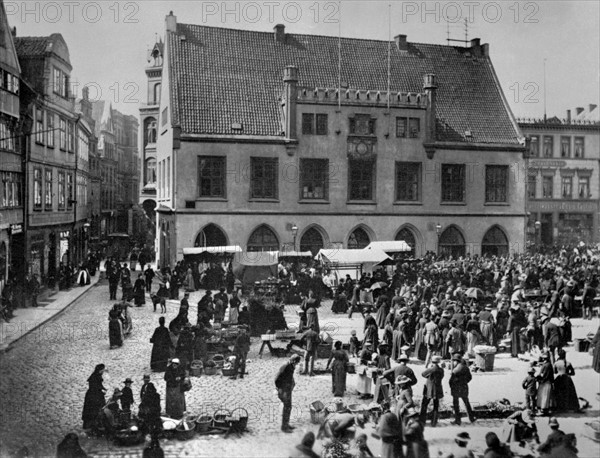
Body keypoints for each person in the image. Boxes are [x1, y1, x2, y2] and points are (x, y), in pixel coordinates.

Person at [274, 354, 301, 432]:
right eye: (296, 363)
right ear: (293, 361)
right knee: (287, 407)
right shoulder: (286, 366)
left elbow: (289, 378)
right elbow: (277, 379)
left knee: (288, 407)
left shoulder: (291, 366)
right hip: (283, 390)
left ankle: (286, 424)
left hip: (287, 390)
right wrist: (279, 388)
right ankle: (284, 427)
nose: (296, 365)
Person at [449, 354, 475, 425]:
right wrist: (464, 382)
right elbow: (469, 377)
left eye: (454, 361)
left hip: (456, 389)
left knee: (456, 405)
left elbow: (451, 381)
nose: (453, 363)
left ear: (456, 361)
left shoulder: (455, 370)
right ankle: (471, 418)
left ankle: (458, 420)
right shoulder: (466, 368)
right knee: (466, 403)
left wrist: (452, 387)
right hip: (464, 388)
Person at [419, 355, 444, 427]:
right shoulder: (441, 370)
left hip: (429, 388)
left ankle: (422, 420)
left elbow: (423, 374)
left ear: (432, 362)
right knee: (436, 405)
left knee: (424, 404)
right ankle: (434, 422)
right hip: (438, 388)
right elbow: (442, 377)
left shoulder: (431, 369)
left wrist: (429, 377)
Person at [82, 364, 106, 429]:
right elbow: (95, 386)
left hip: (95, 394)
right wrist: (101, 390)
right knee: (93, 409)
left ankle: (95, 423)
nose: (104, 370)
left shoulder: (97, 375)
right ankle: (93, 424)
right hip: (93, 396)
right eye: (103, 369)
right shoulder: (95, 377)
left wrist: (103, 388)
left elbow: (99, 384)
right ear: (100, 370)